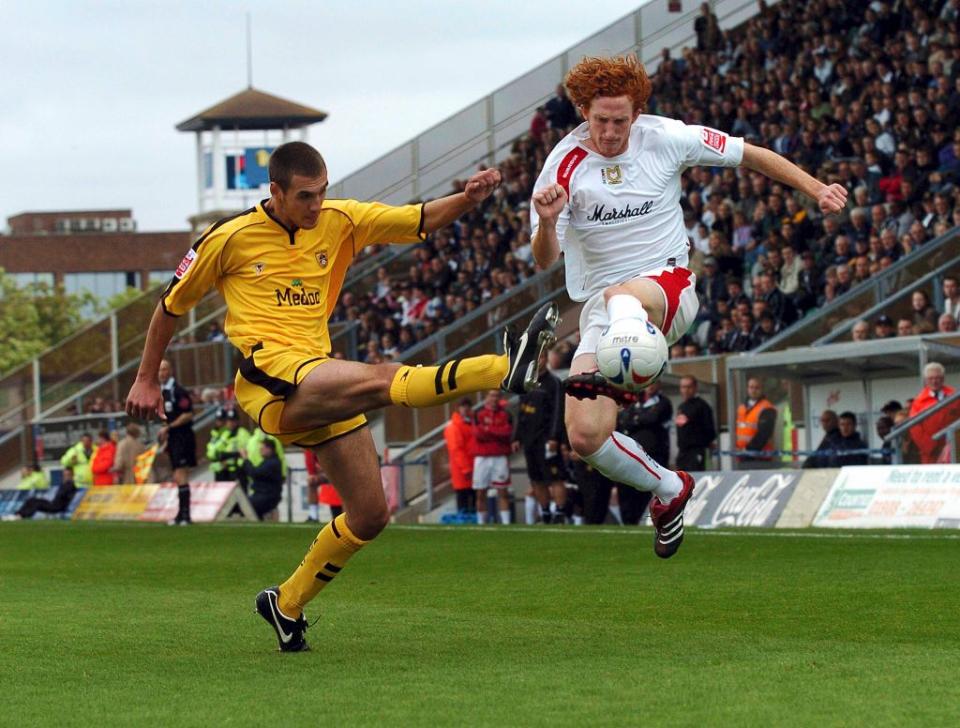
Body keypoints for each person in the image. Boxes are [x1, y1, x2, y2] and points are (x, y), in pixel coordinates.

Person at [126, 141, 558, 652]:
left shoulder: (341, 220)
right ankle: (504, 367)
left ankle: (285, 604)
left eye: (323, 192)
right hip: (271, 378)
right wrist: (147, 377)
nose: (317, 205)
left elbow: (416, 220)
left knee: (371, 514)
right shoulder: (229, 238)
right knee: (381, 380)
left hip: (320, 376)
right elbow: (170, 306)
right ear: (275, 192)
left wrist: (466, 198)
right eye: (306, 196)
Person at [531, 55, 846, 558]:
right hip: (602, 311)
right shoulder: (562, 166)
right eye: (600, 120)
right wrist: (548, 222)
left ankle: (632, 370)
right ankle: (668, 488)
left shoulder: (667, 137)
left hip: (667, 287)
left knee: (622, 294)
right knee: (586, 436)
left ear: (637, 113)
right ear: (582, 111)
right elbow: (546, 258)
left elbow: (750, 154)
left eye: (621, 120)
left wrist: (816, 188)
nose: (611, 132)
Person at [511, 352, 565, 524]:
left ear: (546, 359)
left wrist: (554, 437)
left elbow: (558, 411)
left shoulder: (554, 383)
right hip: (529, 439)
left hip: (546, 439)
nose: (538, 361)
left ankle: (559, 512)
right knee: (536, 479)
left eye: (541, 357)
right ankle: (545, 512)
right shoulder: (527, 382)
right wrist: (517, 436)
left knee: (555, 477)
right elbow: (522, 411)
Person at [157, 359, 196, 525]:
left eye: (165, 369)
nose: (162, 373)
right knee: (177, 475)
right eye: (159, 370)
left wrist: (169, 427)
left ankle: (186, 516)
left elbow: (188, 414)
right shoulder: (163, 391)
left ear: (170, 370)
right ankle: (181, 515)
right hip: (173, 438)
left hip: (183, 437)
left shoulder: (178, 391)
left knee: (181, 474)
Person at [472, 390, 514, 525]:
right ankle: (481, 523)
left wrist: (488, 429)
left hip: (499, 456)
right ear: (486, 397)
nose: (494, 398)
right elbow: (478, 434)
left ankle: (506, 523)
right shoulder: (478, 413)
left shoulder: (506, 414)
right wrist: (496, 431)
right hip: (482, 457)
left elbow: (506, 433)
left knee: (503, 492)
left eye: (497, 396)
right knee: (480, 492)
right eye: (491, 395)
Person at [908, 362, 958, 464]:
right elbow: (914, 428)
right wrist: (931, 447)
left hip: (955, 449)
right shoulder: (919, 402)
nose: (934, 381)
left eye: (937, 378)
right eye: (930, 378)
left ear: (943, 378)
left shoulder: (955, 397)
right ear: (926, 380)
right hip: (931, 454)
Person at [674, 375, 716, 471]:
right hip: (682, 453)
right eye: (683, 387)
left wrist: (700, 443)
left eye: (689, 387)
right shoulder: (681, 406)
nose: (686, 390)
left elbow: (711, 431)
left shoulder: (702, 406)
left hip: (696, 452)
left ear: (695, 388)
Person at [444, 398, 477, 517]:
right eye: (463, 406)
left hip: (473, 465)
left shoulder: (470, 423)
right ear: (458, 408)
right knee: (463, 496)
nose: (466, 409)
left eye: (468, 406)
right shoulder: (454, 426)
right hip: (463, 468)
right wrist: (466, 468)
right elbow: (456, 449)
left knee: (473, 496)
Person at [735, 377, 778, 467]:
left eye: (757, 388)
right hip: (742, 456)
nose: (753, 390)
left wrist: (747, 449)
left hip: (760, 456)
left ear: (761, 389)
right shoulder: (742, 408)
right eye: (751, 387)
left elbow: (764, 434)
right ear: (747, 389)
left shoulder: (767, 408)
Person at [7, 467, 78, 520]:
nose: (65, 477)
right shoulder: (64, 484)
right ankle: (17, 514)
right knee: (32, 500)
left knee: (37, 504)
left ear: (72, 476)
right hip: (53, 503)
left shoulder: (70, 485)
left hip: (57, 507)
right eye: (64, 475)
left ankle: (22, 516)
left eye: (68, 475)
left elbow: (65, 497)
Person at [242, 439, 284, 520]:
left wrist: (246, 459)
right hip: (262, 494)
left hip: (267, 496)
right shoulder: (269, 461)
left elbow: (254, 473)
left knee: (245, 505)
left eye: (262, 448)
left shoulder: (272, 463)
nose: (260, 450)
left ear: (270, 449)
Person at [206, 408, 250, 483]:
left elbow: (246, 452)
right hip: (226, 470)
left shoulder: (243, 433)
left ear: (237, 421)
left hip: (240, 470)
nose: (231, 423)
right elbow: (216, 452)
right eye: (229, 420)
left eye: (233, 420)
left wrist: (230, 456)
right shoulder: (225, 434)